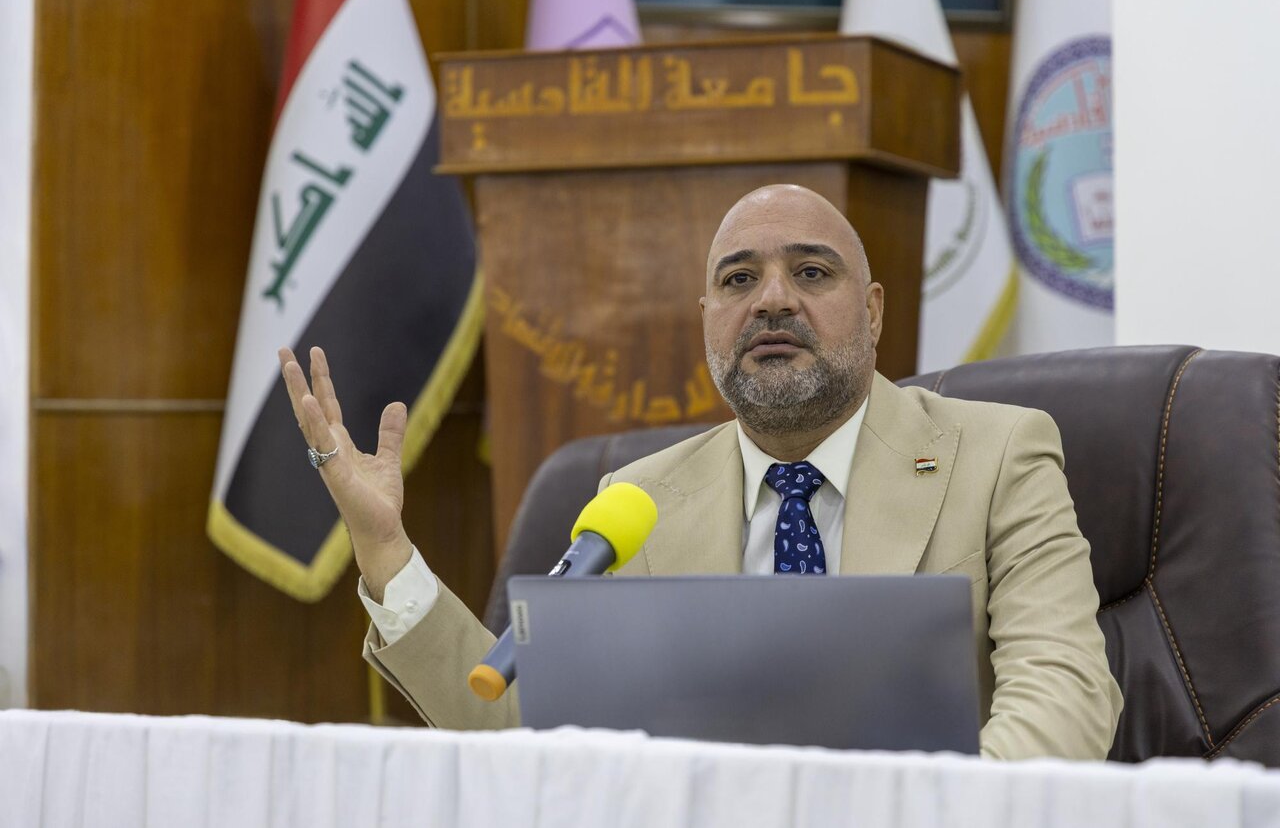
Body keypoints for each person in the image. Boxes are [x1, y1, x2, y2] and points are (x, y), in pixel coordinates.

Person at [280, 184, 1122, 759]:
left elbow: (1064, 695)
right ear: (709, 320)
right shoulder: (637, 502)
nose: (773, 298)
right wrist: (384, 548)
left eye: (812, 271)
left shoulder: (1001, 455)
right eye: (739, 279)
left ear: (871, 313)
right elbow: (532, 738)